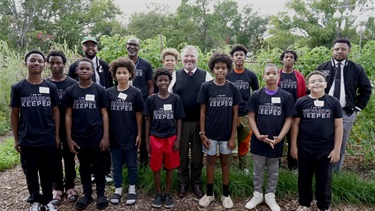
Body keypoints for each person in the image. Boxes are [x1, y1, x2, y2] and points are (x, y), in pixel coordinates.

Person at [10, 50, 59, 211]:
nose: (36, 63)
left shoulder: (50, 87)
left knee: (47, 171)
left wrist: (57, 135)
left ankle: (48, 200)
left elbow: (56, 111)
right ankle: (35, 200)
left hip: (47, 137)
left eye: (40, 61)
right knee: (30, 172)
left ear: (44, 65)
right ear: (26, 63)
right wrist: (17, 139)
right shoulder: (18, 87)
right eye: (33, 60)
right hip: (28, 138)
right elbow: (15, 113)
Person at [245, 64, 296, 211]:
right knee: (258, 168)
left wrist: (280, 137)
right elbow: (251, 117)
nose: (271, 76)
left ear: (278, 76)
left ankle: (270, 195)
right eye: (268, 73)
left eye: (274, 73)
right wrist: (257, 134)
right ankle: (257, 193)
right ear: (263, 76)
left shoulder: (286, 96)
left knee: (274, 169)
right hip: (259, 139)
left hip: (276, 141)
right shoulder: (257, 95)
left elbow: (289, 119)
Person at [316, 38, 372, 171]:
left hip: (345, 112)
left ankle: (335, 174)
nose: (339, 52)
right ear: (332, 50)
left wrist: (357, 108)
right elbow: (312, 86)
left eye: (343, 49)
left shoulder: (356, 69)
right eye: (337, 49)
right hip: (323, 111)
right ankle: (321, 171)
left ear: (349, 51)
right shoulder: (323, 67)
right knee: (321, 140)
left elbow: (366, 89)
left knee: (340, 144)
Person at [291, 71, 343, 211]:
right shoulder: (301, 102)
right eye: (313, 81)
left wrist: (337, 149)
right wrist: (293, 146)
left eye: (320, 80)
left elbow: (338, 127)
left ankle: (323, 205)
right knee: (304, 176)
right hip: (305, 146)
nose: (316, 83)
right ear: (308, 85)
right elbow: (295, 124)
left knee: (324, 178)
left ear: (326, 83)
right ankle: (304, 203)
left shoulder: (333, 102)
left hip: (326, 148)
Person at [197, 52, 241, 209]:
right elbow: (202, 111)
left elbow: (235, 113)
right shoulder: (206, 87)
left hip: (226, 134)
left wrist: (233, 136)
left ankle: (226, 194)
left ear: (228, 69)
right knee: (209, 162)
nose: (220, 71)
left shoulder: (233, 88)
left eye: (223, 68)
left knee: (225, 163)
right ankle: (209, 193)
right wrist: (202, 134)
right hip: (210, 134)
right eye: (217, 68)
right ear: (212, 69)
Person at [64, 58, 109, 210]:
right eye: (81, 68)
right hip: (79, 136)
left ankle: (101, 194)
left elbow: (104, 114)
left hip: (97, 135)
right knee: (83, 166)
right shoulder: (71, 91)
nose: (84, 71)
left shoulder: (99, 90)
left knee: (99, 165)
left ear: (92, 71)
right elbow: (68, 115)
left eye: (87, 69)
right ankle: (87, 194)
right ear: (76, 71)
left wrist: (106, 136)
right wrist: (69, 138)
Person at [169, 45, 213, 198]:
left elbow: (211, 97)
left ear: (197, 58)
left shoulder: (205, 75)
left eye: (192, 56)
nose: (189, 59)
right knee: (181, 155)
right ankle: (182, 183)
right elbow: (169, 97)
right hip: (181, 124)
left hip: (199, 123)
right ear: (181, 59)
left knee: (197, 156)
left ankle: (196, 183)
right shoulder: (175, 75)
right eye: (186, 56)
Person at [68, 36, 113, 182]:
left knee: (102, 139)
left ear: (96, 47)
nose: (90, 48)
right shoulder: (75, 66)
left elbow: (111, 84)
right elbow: (71, 84)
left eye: (93, 45)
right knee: (86, 145)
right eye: (87, 45)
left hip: (101, 105)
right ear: (83, 48)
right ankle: (91, 173)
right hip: (82, 109)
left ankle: (106, 171)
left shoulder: (104, 65)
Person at [144, 68, 185, 209]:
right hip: (155, 137)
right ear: (156, 81)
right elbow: (148, 119)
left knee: (170, 166)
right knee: (156, 167)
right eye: (160, 80)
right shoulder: (151, 99)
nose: (163, 82)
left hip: (171, 138)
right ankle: (158, 193)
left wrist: (178, 139)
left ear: (170, 82)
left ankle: (167, 193)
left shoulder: (175, 99)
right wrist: (147, 140)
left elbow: (179, 119)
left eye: (166, 80)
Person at [106, 58, 144, 206]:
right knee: (115, 165)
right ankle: (118, 189)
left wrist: (140, 134)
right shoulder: (109, 93)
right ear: (114, 75)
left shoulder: (136, 93)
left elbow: (139, 114)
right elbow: (106, 115)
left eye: (124, 73)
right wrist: (106, 135)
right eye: (119, 73)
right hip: (114, 136)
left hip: (130, 135)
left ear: (130, 74)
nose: (121, 75)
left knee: (132, 163)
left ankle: (132, 189)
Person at [46, 50, 78, 204]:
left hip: (70, 128)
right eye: (52, 62)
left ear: (64, 64)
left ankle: (71, 185)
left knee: (69, 156)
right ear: (48, 64)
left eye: (58, 62)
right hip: (51, 127)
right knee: (54, 157)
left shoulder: (72, 83)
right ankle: (57, 187)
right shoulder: (46, 84)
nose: (55, 65)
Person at [227, 44, 259, 171]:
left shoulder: (251, 75)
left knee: (244, 142)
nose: (239, 57)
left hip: (246, 114)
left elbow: (256, 93)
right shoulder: (228, 75)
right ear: (232, 58)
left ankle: (243, 166)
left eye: (241, 55)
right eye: (236, 55)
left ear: (245, 57)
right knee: (228, 141)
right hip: (230, 115)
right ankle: (227, 166)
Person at [126, 37, 154, 167]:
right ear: (126, 46)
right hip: (125, 105)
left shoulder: (146, 65)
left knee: (142, 133)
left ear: (139, 47)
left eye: (135, 45)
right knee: (127, 132)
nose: (132, 47)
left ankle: (143, 163)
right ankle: (127, 163)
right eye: (130, 44)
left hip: (142, 104)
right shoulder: (122, 63)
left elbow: (151, 85)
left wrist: (149, 104)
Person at [277, 50, 306, 170]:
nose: (288, 59)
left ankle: (292, 165)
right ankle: (276, 164)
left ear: (294, 60)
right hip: (278, 113)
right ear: (282, 59)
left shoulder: (299, 77)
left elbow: (303, 94)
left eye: (291, 57)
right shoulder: (277, 75)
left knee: (293, 139)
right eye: (286, 57)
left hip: (294, 114)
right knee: (277, 138)